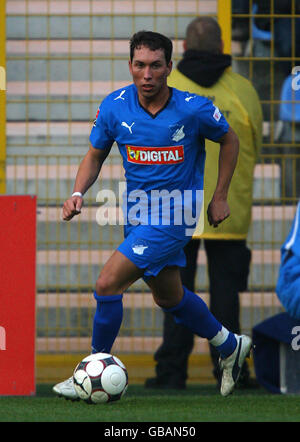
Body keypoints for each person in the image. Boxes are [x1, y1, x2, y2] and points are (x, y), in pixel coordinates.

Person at [52, 30, 252, 400]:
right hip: (137, 214)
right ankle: (229, 345)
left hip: (177, 214)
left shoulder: (193, 108)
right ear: (130, 66)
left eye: (155, 66)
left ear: (169, 68)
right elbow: (95, 155)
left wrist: (220, 196)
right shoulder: (114, 107)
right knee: (169, 297)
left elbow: (230, 139)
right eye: (140, 65)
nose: (147, 74)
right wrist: (78, 193)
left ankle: (91, 371)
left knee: (107, 284)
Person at [144, 17, 262, 390]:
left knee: (174, 293)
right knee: (227, 295)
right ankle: (232, 372)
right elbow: (255, 144)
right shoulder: (243, 91)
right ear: (222, 44)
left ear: (183, 47)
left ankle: (171, 373)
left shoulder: (170, 88)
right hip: (229, 209)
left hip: (176, 208)